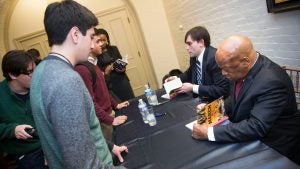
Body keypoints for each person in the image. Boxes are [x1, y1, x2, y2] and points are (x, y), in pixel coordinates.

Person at [30, 1, 125, 168]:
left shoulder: (42, 70)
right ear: (75, 34)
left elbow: (73, 135)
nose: (91, 45)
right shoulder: (66, 80)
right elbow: (83, 165)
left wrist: (108, 147)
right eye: (89, 36)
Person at [192, 35, 300, 164]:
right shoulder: (240, 69)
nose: (223, 73)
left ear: (245, 62)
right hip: (253, 132)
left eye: (226, 69)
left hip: (275, 144)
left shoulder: (272, 81)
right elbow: (235, 99)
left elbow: (256, 126)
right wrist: (213, 109)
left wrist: (209, 133)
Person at [75, 28, 129, 141]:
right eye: (97, 41)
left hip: (109, 114)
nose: (101, 44)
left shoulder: (93, 64)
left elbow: (102, 89)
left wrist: (115, 105)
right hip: (103, 120)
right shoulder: (83, 69)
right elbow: (90, 102)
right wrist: (110, 120)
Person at [0, 50, 47, 169]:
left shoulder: (41, 87)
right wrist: (12, 130)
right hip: (25, 154)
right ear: (13, 75)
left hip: (50, 144)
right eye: (30, 72)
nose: (36, 75)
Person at [165, 26, 230, 103]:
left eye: (189, 44)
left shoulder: (214, 58)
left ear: (201, 43)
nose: (186, 48)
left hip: (214, 102)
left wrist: (193, 88)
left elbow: (222, 90)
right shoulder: (194, 56)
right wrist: (176, 79)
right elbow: (189, 74)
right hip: (199, 99)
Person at [96, 28, 135, 101]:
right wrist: (106, 72)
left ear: (107, 40)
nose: (102, 43)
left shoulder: (113, 48)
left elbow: (120, 61)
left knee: (131, 100)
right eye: (99, 40)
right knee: (120, 105)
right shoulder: (96, 54)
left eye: (104, 40)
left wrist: (122, 68)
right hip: (110, 83)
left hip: (122, 79)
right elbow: (99, 72)